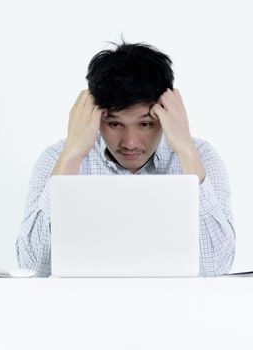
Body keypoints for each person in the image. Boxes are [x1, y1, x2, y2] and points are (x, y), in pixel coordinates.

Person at [16, 41, 235, 277]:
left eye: (146, 124)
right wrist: (72, 155)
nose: (130, 143)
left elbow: (216, 268)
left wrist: (186, 152)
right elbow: (33, 268)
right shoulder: (56, 159)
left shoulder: (200, 157)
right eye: (115, 124)